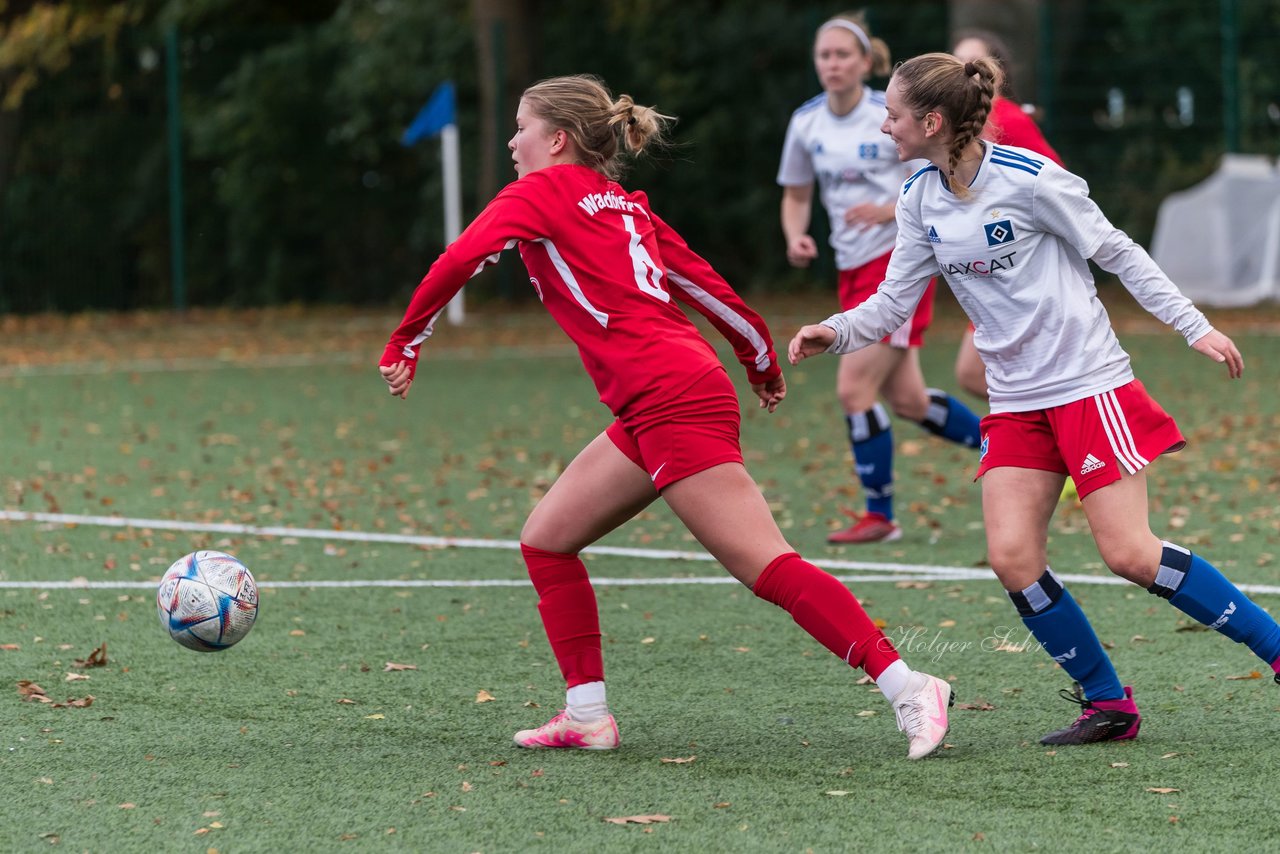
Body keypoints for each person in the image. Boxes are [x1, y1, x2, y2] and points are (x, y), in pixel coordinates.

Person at [379, 74, 953, 759]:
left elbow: (461, 256)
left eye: (521, 126)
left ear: (556, 139)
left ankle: (909, 684)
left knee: (766, 566)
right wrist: (759, 359)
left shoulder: (539, 192)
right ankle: (586, 714)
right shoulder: (625, 205)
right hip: (665, 393)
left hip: (671, 397)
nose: (511, 141)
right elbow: (704, 283)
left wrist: (405, 339)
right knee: (548, 539)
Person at [788, 53, 1280, 745]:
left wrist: (1194, 326)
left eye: (893, 113)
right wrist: (833, 331)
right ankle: (1109, 703)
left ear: (931, 122)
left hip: (1086, 384)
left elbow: (1119, 252)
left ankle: (1278, 650)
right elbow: (893, 301)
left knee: (1130, 555)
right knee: (1012, 556)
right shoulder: (920, 196)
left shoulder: (1030, 179)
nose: (884, 123)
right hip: (1016, 401)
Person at [777, 12, 982, 545]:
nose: (833, 64)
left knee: (854, 390)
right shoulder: (807, 123)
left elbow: (936, 176)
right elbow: (796, 193)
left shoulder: (891, 113)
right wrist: (796, 234)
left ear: (867, 62)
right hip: (851, 270)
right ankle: (1017, 450)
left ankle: (880, 515)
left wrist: (888, 210)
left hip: (898, 267)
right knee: (910, 400)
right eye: (824, 55)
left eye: (843, 54)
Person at [949, 29, 1064, 402]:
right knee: (973, 373)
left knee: (974, 372)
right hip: (991, 271)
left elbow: (1060, 184)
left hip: (1019, 271)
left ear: (997, 75)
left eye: (974, 65)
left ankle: (1058, 416)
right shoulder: (954, 128)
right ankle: (1048, 422)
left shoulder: (1008, 120)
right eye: (956, 63)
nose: (963, 72)